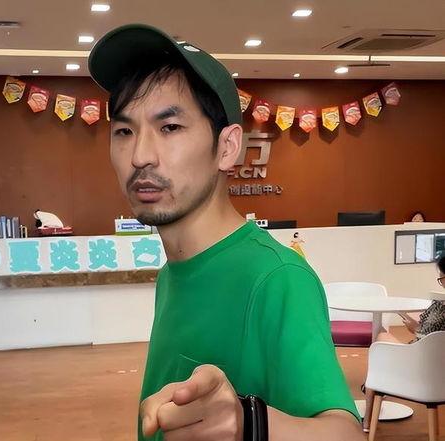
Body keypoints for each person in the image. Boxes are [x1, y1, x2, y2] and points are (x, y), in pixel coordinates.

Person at [89, 24, 363, 441]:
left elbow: (345, 433)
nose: (140, 156)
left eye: (170, 127)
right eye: (124, 131)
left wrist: (248, 421)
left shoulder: (276, 278)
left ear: (228, 147)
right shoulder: (172, 275)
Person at [362, 254, 445, 432]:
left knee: (381, 339)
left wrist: (415, 329)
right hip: (439, 373)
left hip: (421, 365)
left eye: (442, 278)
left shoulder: (440, 305)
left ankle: (368, 415)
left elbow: (429, 337)